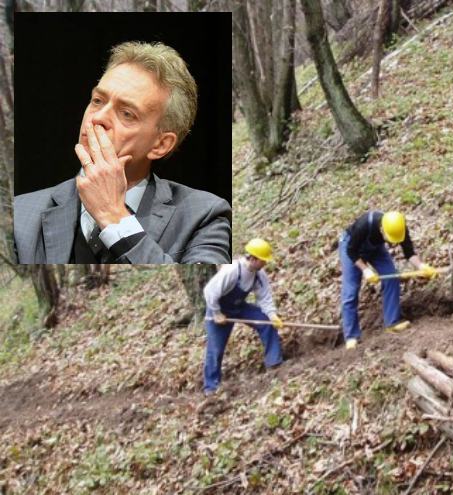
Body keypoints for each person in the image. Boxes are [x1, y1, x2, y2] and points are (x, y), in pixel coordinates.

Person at [13, 41, 230, 263]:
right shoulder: (19, 214)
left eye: (127, 114)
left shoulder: (204, 216)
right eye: (97, 101)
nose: (97, 118)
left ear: (161, 145)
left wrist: (113, 216)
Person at [339, 211, 436, 350]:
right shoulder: (364, 225)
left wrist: (421, 266)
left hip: (375, 248)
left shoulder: (399, 227)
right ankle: (351, 336)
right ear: (382, 229)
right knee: (351, 290)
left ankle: (392, 322)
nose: (393, 242)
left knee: (391, 276)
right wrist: (365, 269)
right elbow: (351, 252)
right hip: (351, 247)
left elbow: (408, 252)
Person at [202, 239, 284, 395]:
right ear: (253, 258)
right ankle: (211, 387)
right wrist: (217, 313)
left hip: (239, 307)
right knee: (216, 348)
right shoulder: (232, 270)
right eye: (263, 260)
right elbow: (210, 292)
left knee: (266, 322)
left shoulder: (259, 275)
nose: (265, 264)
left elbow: (264, 297)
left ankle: (274, 362)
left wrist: (272, 315)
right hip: (219, 309)